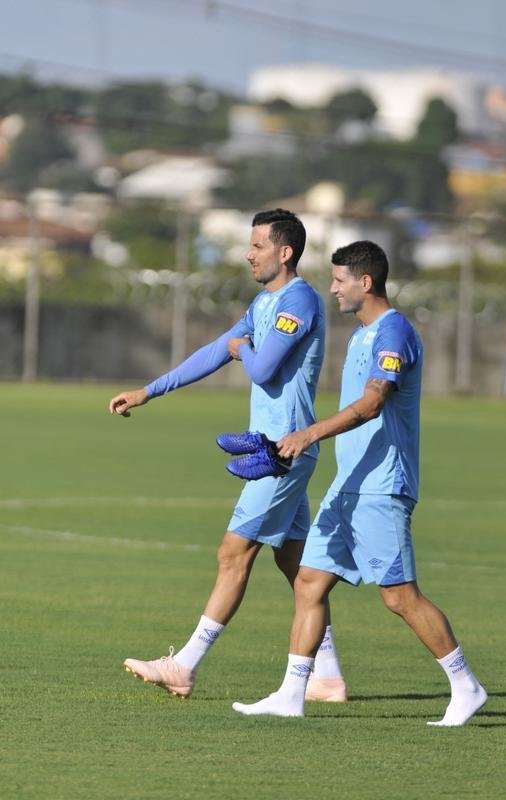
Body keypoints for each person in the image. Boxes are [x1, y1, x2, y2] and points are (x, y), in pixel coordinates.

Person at [232, 240, 487, 725]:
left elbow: (373, 403)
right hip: (348, 484)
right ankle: (291, 695)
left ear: (365, 282)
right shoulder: (362, 334)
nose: (332, 289)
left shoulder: (394, 334)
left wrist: (309, 433)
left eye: (339, 281)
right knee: (308, 582)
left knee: (398, 596)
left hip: (381, 487)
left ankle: (465, 684)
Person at [109, 208, 346, 702]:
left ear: (285, 252)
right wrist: (150, 391)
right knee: (296, 564)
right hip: (273, 448)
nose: (248, 253)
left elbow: (259, 367)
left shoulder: (297, 300)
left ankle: (185, 664)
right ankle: (326, 675)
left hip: (282, 452)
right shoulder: (265, 302)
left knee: (232, 554)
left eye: (257, 245)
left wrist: (242, 347)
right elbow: (218, 349)